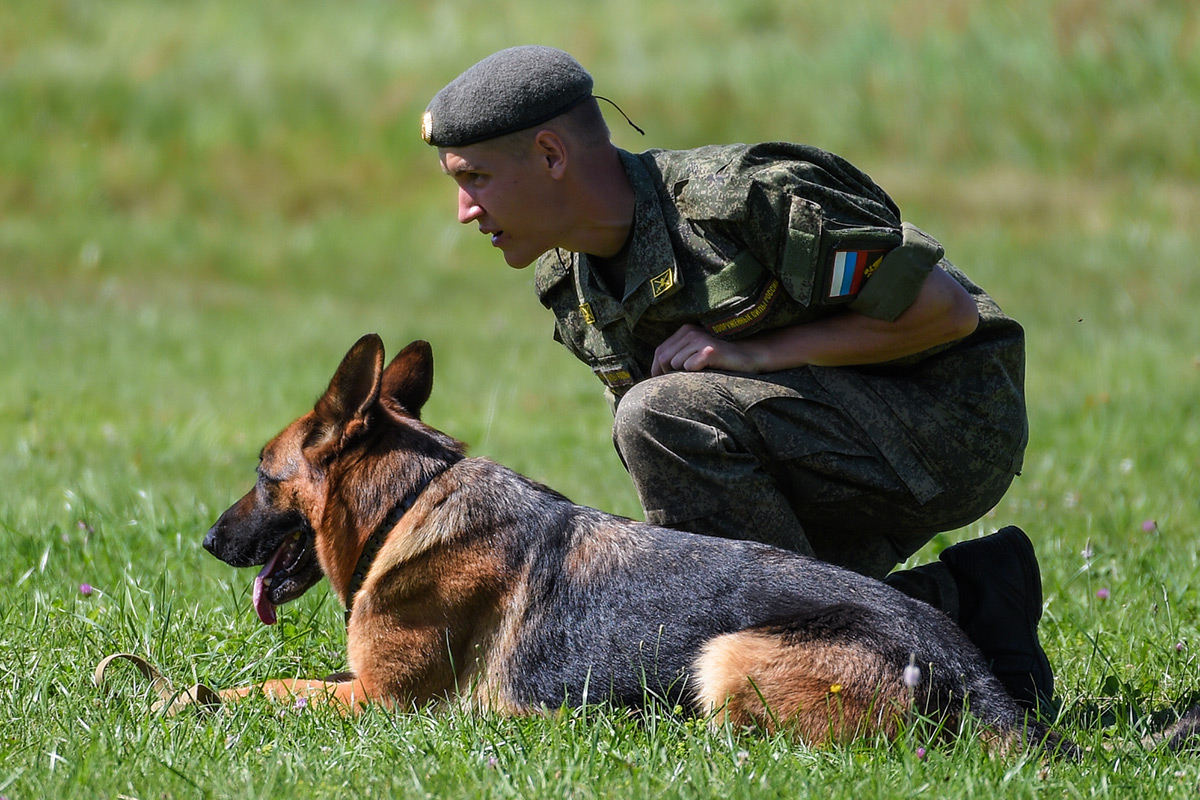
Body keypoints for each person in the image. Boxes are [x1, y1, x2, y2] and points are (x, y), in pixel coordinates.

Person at [421, 45, 1053, 715]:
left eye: (477, 178)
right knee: (703, 529)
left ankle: (816, 650)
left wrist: (754, 354)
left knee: (661, 416)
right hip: (826, 442)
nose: (464, 210)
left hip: (950, 418)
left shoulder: (737, 200)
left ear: (552, 156)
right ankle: (976, 601)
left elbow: (945, 314)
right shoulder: (572, 286)